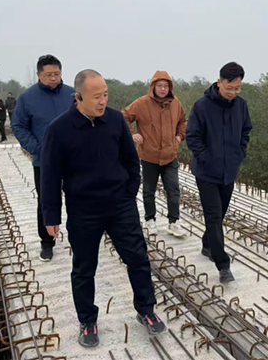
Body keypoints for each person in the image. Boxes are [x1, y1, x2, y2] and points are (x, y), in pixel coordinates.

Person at [41, 69, 166, 348]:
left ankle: (146, 310)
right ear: (78, 97)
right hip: (83, 210)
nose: (102, 101)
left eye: (105, 95)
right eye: (96, 96)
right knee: (84, 268)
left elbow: (131, 161)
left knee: (138, 258)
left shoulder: (115, 121)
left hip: (120, 206)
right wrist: (50, 215)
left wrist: (128, 193)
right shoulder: (59, 130)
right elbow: (49, 176)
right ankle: (87, 321)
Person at [186, 62, 252, 284]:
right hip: (206, 173)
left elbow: (246, 131)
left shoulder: (241, 106)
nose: (233, 92)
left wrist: (239, 153)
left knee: (220, 213)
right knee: (213, 216)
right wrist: (206, 158)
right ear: (219, 83)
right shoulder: (202, 106)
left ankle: (208, 244)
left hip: (229, 171)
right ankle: (223, 265)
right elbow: (192, 136)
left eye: (237, 88)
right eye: (229, 88)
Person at [11, 54, 75, 261]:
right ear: (39, 75)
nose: (54, 78)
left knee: (79, 197)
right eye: (49, 75)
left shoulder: (72, 95)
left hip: (73, 158)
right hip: (45, 161)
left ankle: (80, 235)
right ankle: (47, 242)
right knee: (47, 201)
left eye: (57, 74)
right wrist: (37, 149)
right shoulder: (28, 98)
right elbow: (18, 126)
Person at [122, 71, 187, 237]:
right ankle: (150, 220)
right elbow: (124, 117)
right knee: (149, 191)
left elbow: (183, 121)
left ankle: (174, 222)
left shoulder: (175, 103)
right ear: (153, 87)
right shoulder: (142, 103)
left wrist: (179, 137)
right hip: (149, 156)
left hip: (170, 155)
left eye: (166, 86)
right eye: (159, 86)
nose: (163, 89)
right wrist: (131, 134)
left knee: (173, 190)